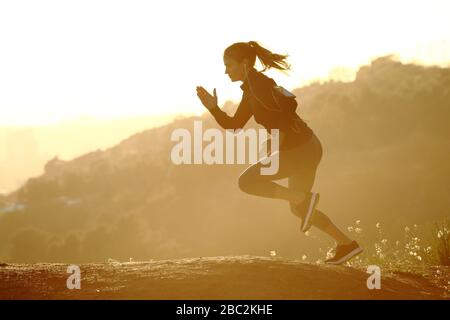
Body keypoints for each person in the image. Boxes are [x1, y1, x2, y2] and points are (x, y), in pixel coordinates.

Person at [196, 41, 362, 265]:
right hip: (308, 146)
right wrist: (214, 108)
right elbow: (235, 125)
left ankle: (302, 198)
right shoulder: (252, 89)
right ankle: (346, 245)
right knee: (299, 208)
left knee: (247, 181)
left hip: (299, 151)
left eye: (229, 65)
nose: (226, 71)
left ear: (244, 63)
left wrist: (275, 147)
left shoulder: (259, 87)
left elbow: (285, 113)